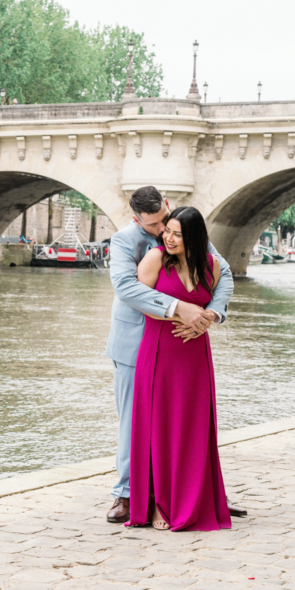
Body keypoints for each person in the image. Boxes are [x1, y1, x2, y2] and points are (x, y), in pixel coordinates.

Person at [104, 186, 239, 523]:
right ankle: (126, 494)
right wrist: (181, 309)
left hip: (183, 344)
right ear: (137, 220)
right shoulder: (123, 242)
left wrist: (210, 315)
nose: (163, 231)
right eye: (153, 226)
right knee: (134, 422)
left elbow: (223, 274)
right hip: (135, 343)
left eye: (164, 219)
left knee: (187, 420)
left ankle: (198, 493)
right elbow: (126, 287)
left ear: (167, 205)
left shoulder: (183, 226)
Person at [128, 206, 230, 531]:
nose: (168, 238)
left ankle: (194, 499)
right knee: (159, 427)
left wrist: (206, 320)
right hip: (159, 352)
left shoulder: (211, 265)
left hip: (196, 355)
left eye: (177, 234)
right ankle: (159, 504)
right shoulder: (155, 259)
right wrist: (181, 314)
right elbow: (140, 301)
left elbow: (215, 299)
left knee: (193, 427)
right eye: (167, 231)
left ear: (195, 238)